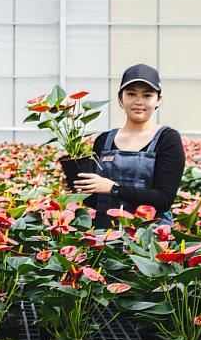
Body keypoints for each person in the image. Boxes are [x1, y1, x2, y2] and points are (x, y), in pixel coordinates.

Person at [74, 63, 186, 229]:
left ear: (158, 100)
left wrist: (113, 189)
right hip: (104, 237)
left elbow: (164, 199)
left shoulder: (167, 139)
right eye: (131, 94)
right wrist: (77, 185)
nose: (138, 102)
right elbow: (93, 199)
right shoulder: (103, 140)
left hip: (148, 238)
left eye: (147, 95)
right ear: (121, 98)